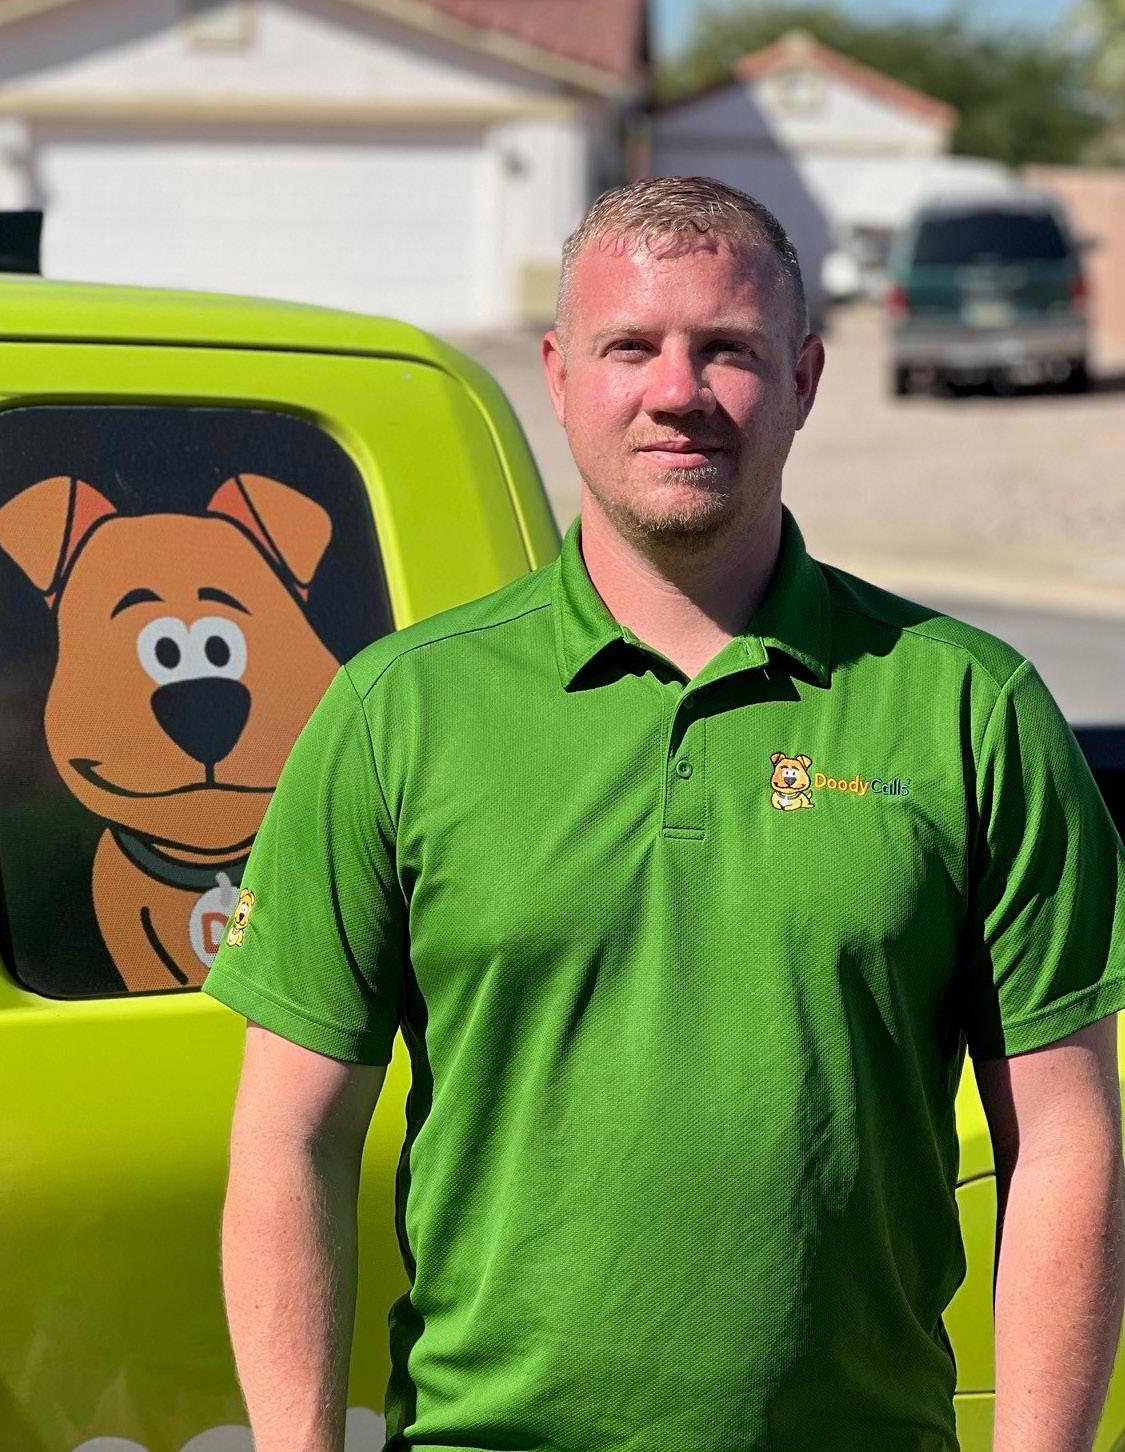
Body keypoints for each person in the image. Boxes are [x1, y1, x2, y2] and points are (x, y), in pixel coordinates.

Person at [200, 176, 1125, 1452]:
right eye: (630, 347)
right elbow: (287, 1142)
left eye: (727, 349)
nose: (677, 392)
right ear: (559, 375)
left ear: (804, 380)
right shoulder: (396, 713)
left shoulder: (970, 709)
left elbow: (1066, 1145)